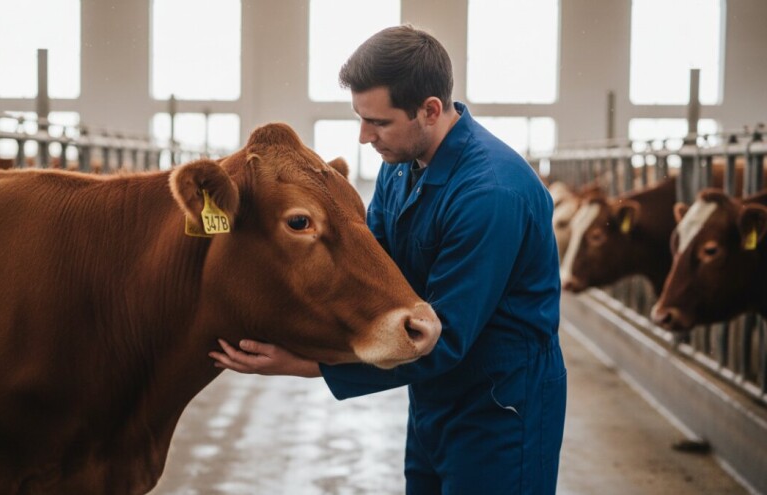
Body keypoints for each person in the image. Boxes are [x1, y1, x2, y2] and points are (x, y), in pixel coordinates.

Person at [210, 24, 566, 494]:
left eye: (378, 122)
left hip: (501, 406)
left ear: (430, 110)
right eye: (360, 118)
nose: (363, 138)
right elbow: (369, 265)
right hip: (433, 399)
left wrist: (303, 363)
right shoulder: (401, 168)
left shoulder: (490, 194)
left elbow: (447, 339)